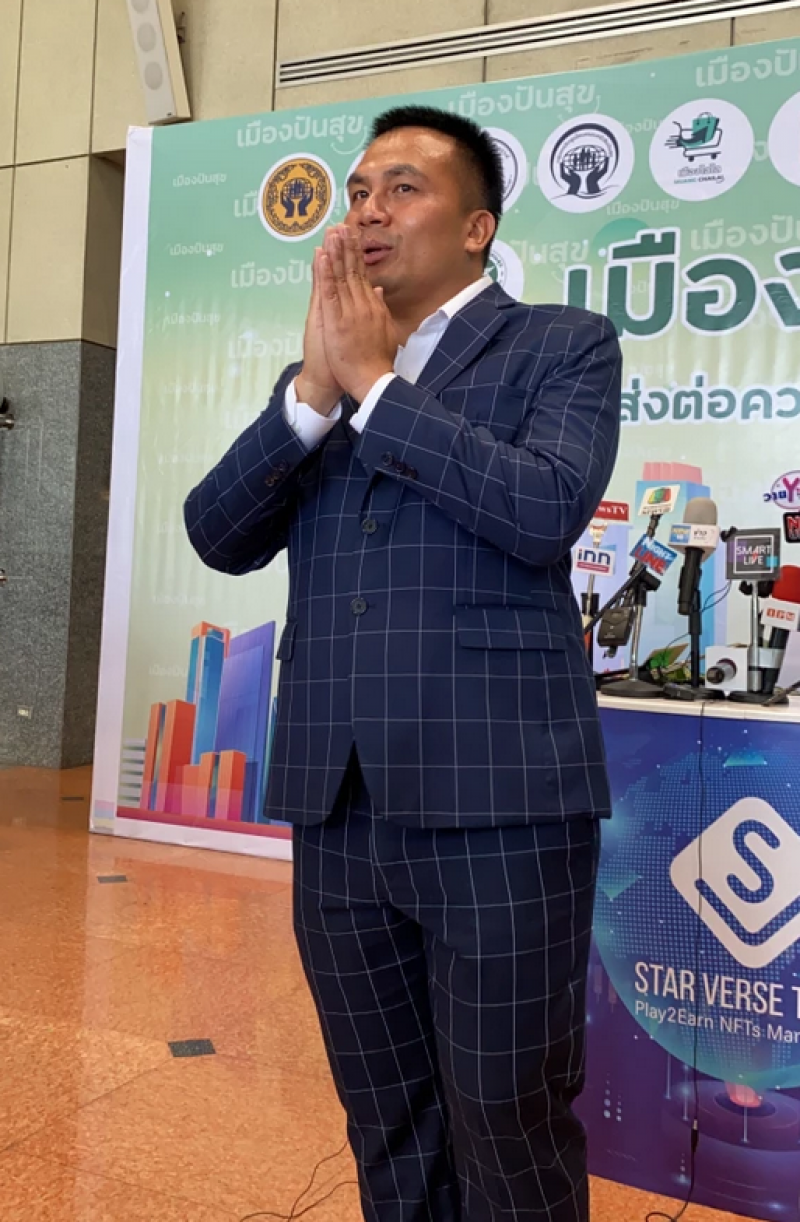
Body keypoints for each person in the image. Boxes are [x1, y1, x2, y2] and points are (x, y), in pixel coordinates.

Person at [185, 105, 623, 1222]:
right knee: (386, 1118)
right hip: (337, 808)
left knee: (506, 1118)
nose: (367, 211)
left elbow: (541, 510)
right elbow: (216, 533)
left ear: (477, 227)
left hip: (500, 807)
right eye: (358, 190)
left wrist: (378, 388)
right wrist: (312, 397)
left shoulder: (561, 345)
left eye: (402, 188)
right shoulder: (320, 376)